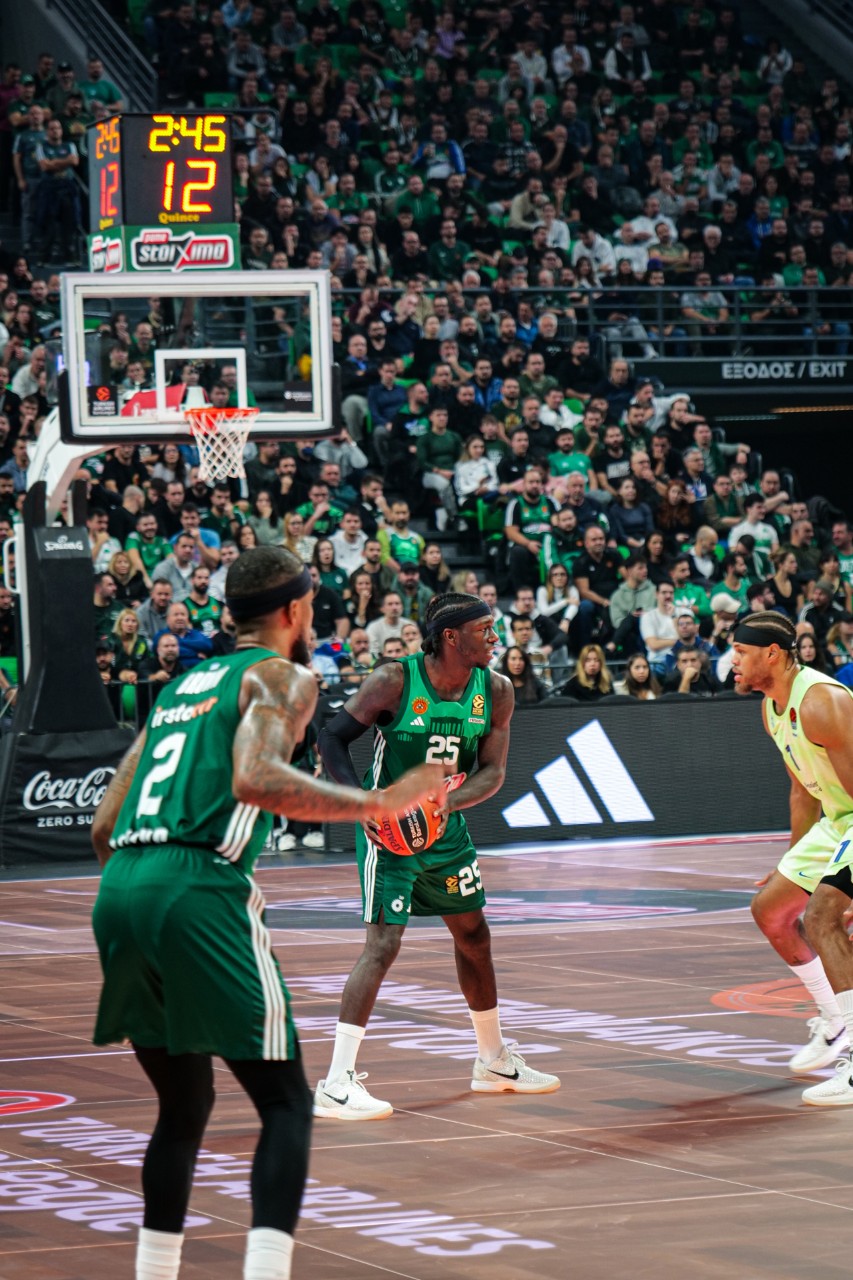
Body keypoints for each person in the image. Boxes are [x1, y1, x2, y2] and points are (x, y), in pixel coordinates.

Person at [91, 546, 443, 1278]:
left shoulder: (183, 684)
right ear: (294, 611)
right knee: (284, 1101)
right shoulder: (282, 673)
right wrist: (378, 801)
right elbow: (255, 777)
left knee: (183, 1107)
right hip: (196, 884)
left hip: (122, 885)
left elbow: (102, 826)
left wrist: (148, 890)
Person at [314, 591, 560, 1120]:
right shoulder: (394, 680)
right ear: (451, 636)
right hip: (389, 833)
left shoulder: (496, 690)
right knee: (383, 943)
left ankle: (492, 1060)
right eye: (485, 630)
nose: (496, 638)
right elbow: (331, 737)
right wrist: (364, 804)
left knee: (474, 934)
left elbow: (492, 771)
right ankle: (336, 1082)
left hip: (444, 829)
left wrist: (446, 801)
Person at [732, 611, 853, 1103]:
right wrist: (797, 858)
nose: (731, 662)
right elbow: (804, 791)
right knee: (771, 911)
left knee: (823, 915)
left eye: (740, 653)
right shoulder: (771, 707)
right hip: (839, 818)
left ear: (772, 654)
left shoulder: (823, 702)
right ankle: (834, 1021)